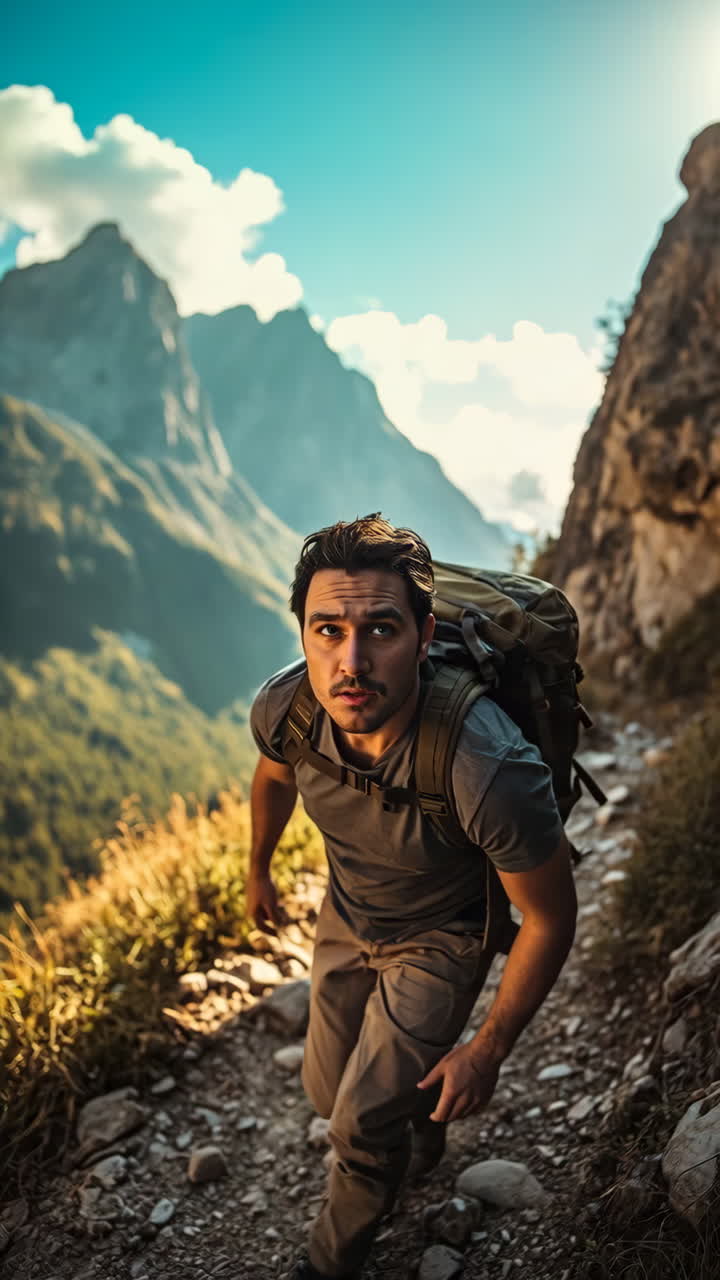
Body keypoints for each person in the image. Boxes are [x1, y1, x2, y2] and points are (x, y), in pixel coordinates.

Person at [247, 513, 577, 1280]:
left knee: (359, 1128)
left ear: (425, 637)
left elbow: (552, 916)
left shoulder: (486, 763)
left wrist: (488, 1048)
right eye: (327, 629)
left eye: (381, 629)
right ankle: (418, 1129)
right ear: (301, 632)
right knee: (329, 1092)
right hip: (349, 912)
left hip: (443, 938)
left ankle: (332, 1262)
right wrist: (257, 869)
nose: (351, 660)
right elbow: (270, 778)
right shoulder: (287, 709)